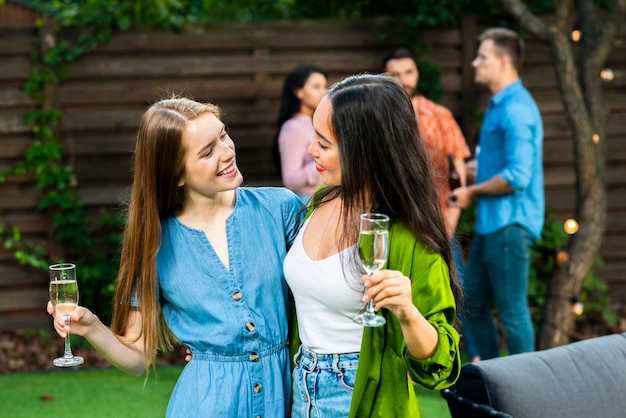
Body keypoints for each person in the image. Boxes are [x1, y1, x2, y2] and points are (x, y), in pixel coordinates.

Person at [47, 96, 303, 417]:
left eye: (223, 135)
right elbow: (138, 359)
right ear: (177, 174)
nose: (227, 152)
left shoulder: (280, 209)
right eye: (208, 151)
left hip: (287, 397)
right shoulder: (154, 245)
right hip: (205, 405)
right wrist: (91, 327)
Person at [284, 74, 461, 417]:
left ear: (366, 151)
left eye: (324, 142)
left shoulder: (408, 235)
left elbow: (442, 366)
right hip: (300, 391)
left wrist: (407, 312)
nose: (310, 150)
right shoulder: (317, 202)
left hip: (363, 398)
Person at [449, 27, 544, 360]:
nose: (475, 63)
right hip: (492, 227)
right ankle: (494, 383)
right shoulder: (500, 105)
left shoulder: (517, 109)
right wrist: (476, 171)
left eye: (483, 57)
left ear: (503, 62)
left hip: (511, 225)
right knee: (472, 304)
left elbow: (517, 176)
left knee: (513, 313)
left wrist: (471, 190)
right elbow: (504, 165)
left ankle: (528, 391)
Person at [383, 47, 480, 362]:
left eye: (408, 72)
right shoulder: (378, 119)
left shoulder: (440, 116)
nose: (402, 80)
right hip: (393, 224)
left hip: (439, 222)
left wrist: (449, 222)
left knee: (458, 292)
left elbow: (458, 177)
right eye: (394, 74)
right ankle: (404, 362)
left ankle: (470, 362)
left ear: (417, 75)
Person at [273, 65, 328, 202]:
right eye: (316, 87)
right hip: (308, 201)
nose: (324, 92)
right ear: (299, 92)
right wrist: (327, 161)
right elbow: (291, 181)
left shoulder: (317, 122)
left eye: (325, 86)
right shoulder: (293, 127)